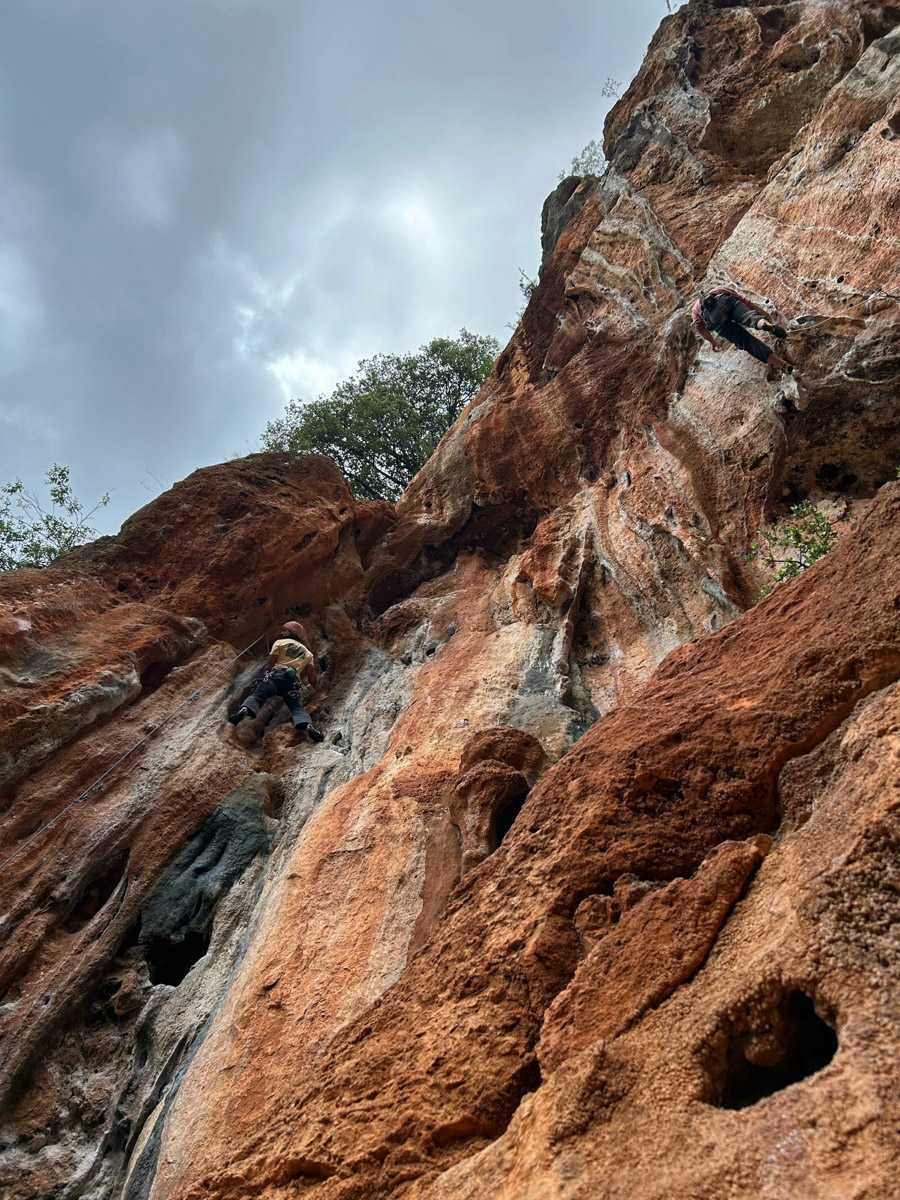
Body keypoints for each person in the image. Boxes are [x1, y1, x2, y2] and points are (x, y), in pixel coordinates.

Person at [228, 620, 325, 742]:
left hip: (275, 677)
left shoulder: (280, 643)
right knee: (296, 708)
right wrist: (316, 687)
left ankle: (244, 710)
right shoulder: (308, 654)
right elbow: (312, 677)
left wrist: (266, 674)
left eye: (285, 630)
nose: (281, 632)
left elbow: (270, 663)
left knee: (258, 696)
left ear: (292, 633)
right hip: (292, 683)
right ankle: (307, 726)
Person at [692, 286, 793, 373]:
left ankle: (784, 365)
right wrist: (764, 314)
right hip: (729, 304)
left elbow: (701, 329)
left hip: (718, 322)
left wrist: (713, 342)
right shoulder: (719, 290)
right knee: (749, 317)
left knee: (748, 343)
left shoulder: (695, 312)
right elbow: (746, 302)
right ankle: (764, 325)